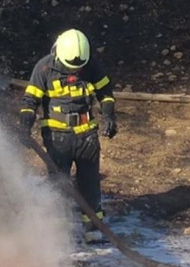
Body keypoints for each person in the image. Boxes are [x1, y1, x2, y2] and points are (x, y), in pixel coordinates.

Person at [18, 28, 117, 243]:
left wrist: (109, 116)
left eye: (79, 68)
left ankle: (92, 225)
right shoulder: (44, 68)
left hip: (87, 136)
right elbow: (29, 101)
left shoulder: (90, 64)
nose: (76, 72)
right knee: (58, 184)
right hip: (57, 138)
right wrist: (25, 125)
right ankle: (58, 230)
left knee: (89, 182)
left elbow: (105, 93)